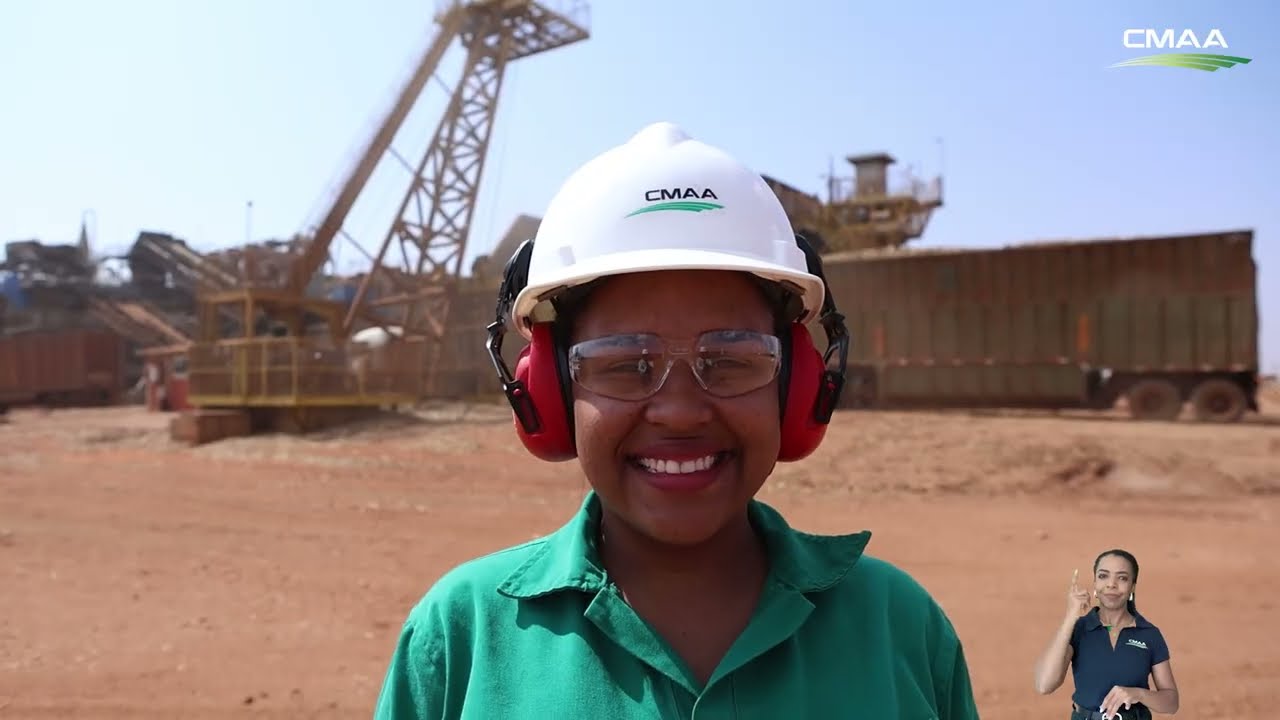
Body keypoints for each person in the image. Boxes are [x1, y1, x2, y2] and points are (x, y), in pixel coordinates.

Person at [372, 122, 980, 719]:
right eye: (625, 365)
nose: (681, 411)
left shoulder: (899, 626)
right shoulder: (460, 638)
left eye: (732, 360)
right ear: (551, 390)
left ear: (795, 385)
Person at [1033, 549, 1181, 719]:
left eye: (1122, 578)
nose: (1111, 584)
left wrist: (1139, 694)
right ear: (1095, 583)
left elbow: (1171, 702)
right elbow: (1044, 685)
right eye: (1103, 576)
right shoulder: (1078, 629)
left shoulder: (1149, 634)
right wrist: (1070, 617)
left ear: (1132, 586)